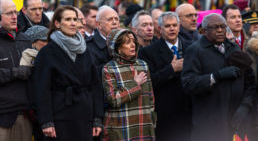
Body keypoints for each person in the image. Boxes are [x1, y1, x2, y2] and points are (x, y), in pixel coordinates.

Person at [31, 5, 104, 141]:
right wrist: (46, 121)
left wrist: (97, 118)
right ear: (57, 24)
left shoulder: (85, 51)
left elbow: (95, 86)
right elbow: (41, 89)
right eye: (68, 19)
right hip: (59, 116)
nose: (72, 23)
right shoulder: (47, 53)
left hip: (85, 115)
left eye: (75, 19)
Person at [181, 13, 256, 141]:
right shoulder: (195, 51)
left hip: (236, 122)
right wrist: (215, 76)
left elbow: (250, 82)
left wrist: (245, 106)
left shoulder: (234, 48)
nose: (220, 30)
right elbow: (188, 84)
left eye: (223, 26)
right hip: (209, 124)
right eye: (215, 27)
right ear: (204, 31)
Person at [138, 12, 191, 141]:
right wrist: (171, 69)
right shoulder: (148, 52)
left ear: (179, 27)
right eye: (167, 26)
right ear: (160, 29)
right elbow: (149, 82)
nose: (172, 28)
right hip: (166, 112)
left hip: (190, 110)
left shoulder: (192, 47)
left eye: (174, 25)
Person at [102, 29, 156, 141]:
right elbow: (113, 99)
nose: (133, 45)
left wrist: (152, 120)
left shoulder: (143, 65)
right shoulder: (109, 68)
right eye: (127, 42)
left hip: (144, 125)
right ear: (118, 48)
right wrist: (135, 84)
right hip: (121, 126)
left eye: (133, 41)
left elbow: (150, 98)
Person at [0, 0, 32, 141]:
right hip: (3, 115)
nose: (14, 17)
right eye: (9, 13)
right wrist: (15, 72)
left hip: (24, 115)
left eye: (16, 13)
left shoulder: (24, 39)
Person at [87, 5, 120, 77]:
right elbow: (93, 74)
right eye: (110, 19)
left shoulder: (125, 42)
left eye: (116, 19)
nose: (114, 22)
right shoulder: (89, 46)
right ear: (98, 24)